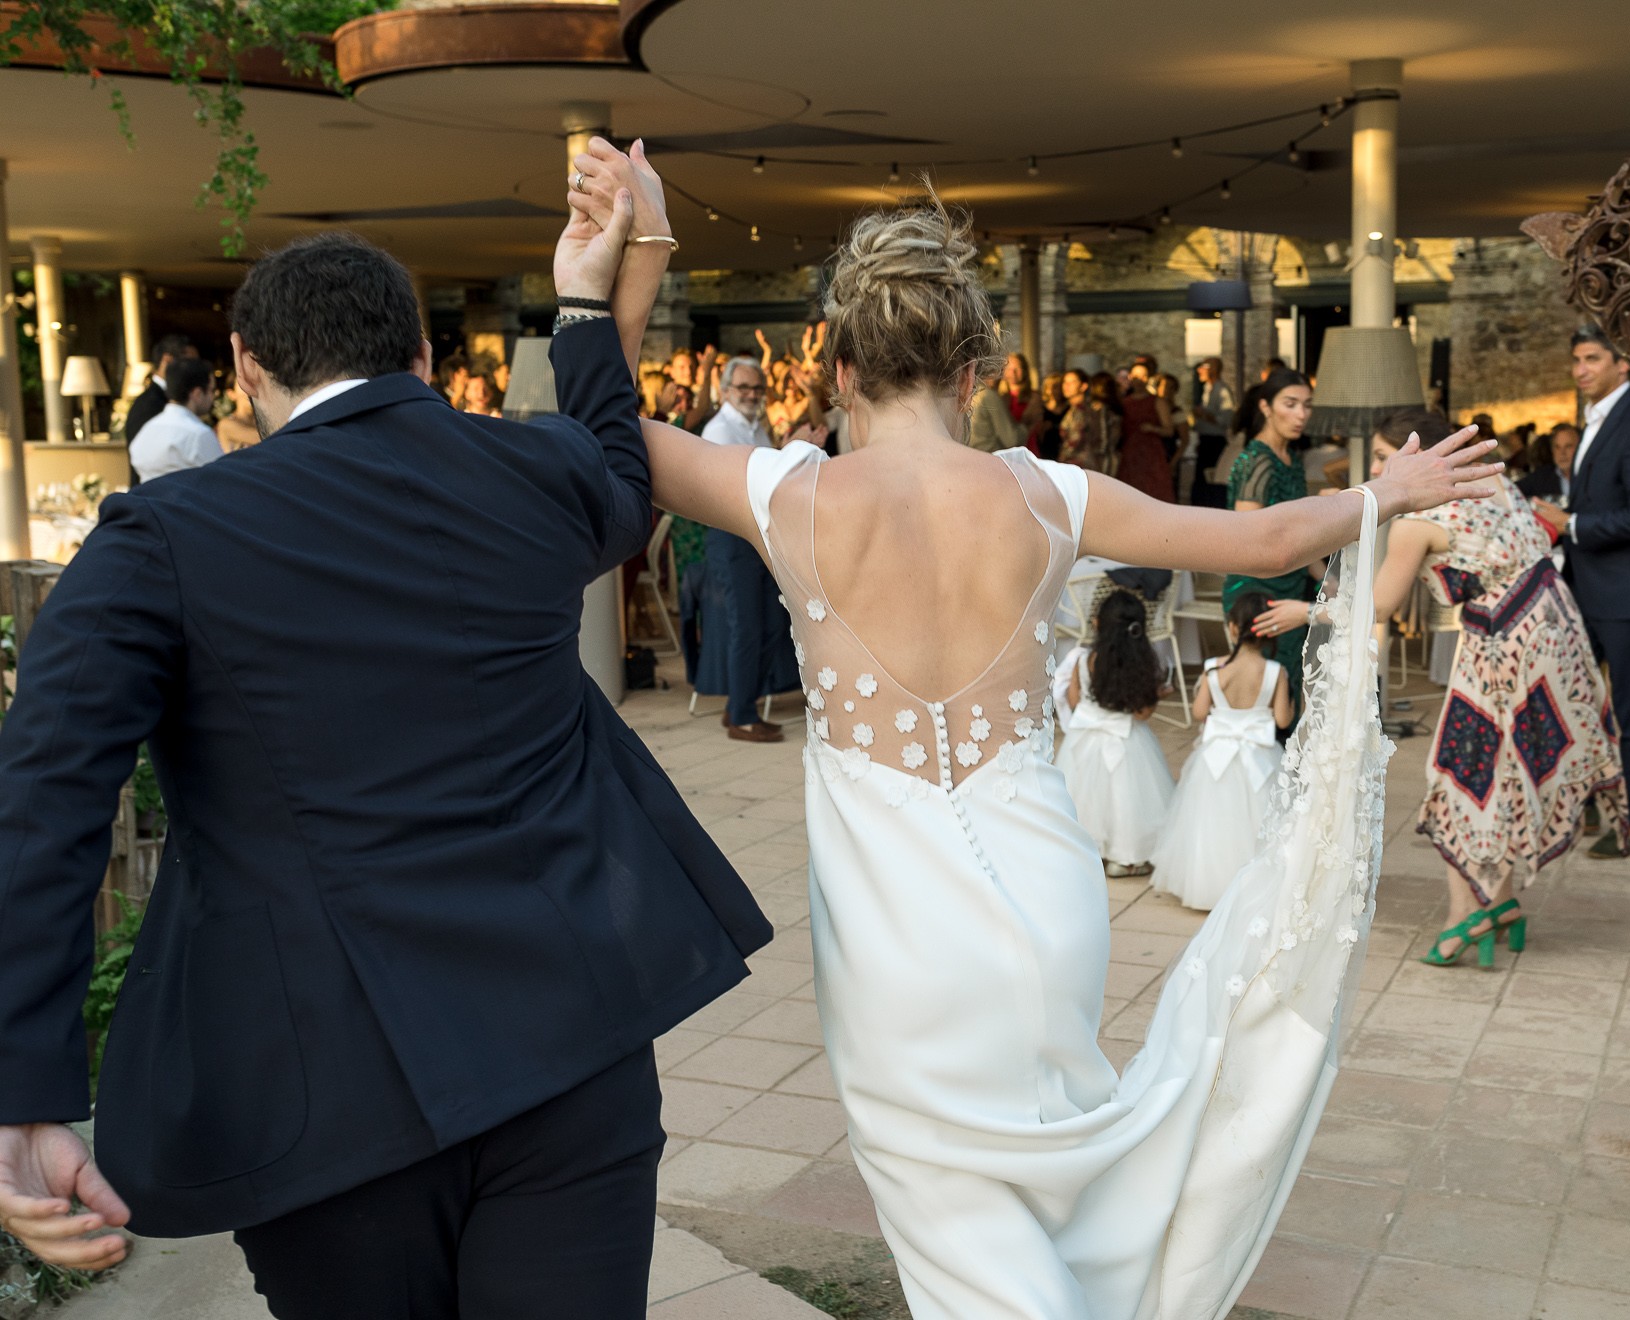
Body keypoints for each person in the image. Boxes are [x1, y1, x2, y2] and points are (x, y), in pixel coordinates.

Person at [565, 138, 1499, 1316]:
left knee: (958, 1246)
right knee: (1050, 1195)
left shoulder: (789, 495)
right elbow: (1259, 543)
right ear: (971, 372)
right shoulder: (1045, 494)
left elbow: (609, 439)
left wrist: (631, 260)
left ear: (840, 367)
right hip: (1047, 904)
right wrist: (1381, 496)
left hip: (897, 942)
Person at [0, 205, 772, 1313]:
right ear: (418, 353)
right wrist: (588, 308)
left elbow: (45, 801)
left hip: (328, 1085)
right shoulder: (536, 471)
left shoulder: (160, 539)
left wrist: (22, 1084)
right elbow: (617, 461)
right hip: (573, 1038)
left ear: (245, 368)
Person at [1368, 408, 1627, 965]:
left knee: (1462, 775)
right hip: (1556, 638)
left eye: (1382, 458)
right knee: (1503, 776)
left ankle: (1465, 918)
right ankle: (1501, 904)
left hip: (1503, 651)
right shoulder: (1493, 480)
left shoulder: (1417, 522)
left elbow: (1380, 604)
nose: (1373, 469)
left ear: (1416, 456)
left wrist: (1310, 608)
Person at [1530, 327, 1630, 858]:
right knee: (1578, 703)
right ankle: (1590, 801)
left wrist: (1571, 524)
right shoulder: (1597, 419)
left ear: (1623, 365)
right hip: (1587, 590)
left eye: (1592, 358)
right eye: (1575, 359)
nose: (1580, 369)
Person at [1148, 591, 1289, 910]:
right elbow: (1282, 719)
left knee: (1211, 822)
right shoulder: (1274, 672)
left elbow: (1199, 713)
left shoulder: (1214, 669)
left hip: (1215, 759)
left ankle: (1209, 886)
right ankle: (1255, 888)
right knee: (1256, 822)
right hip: (1260, 757)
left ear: (1233, 628)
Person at [1225, 369, 1333, 722]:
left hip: (1289, 583)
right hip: (1258, 592)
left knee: (1290, 691)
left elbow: (1299, 539)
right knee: (1268, 702)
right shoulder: (1257, 460)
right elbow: (1246, 538)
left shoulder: (1291, 458)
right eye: (1291, 404)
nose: (1302, 414)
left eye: (1307, 405)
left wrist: (1325, 579)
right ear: (1266, 407)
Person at [699, 355, 797, 742]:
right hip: (731, 536)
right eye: (744, 387)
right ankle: (741, 716)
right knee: (747, 628)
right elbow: (732, 489)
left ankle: (740, 704)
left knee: (771, 626)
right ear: (724, 391)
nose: (752, 394)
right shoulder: (719, 430)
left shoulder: (756, 428)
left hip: (758, 536)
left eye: (757, 388)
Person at [1059, 591, 1176, 877]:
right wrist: (1155, 693)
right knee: (1126, 799)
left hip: (1084, 741)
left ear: (1097, 623)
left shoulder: (1084, 660)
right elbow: (1142, 713)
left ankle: (1085, 851)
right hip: (1127, 741)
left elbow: (1074, 701)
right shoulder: (1142, 666)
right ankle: (1125, 859)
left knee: (1084, 798)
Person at [127, 357, 223, 483]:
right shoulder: (198, 434)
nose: (214, 396)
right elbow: (221, 480)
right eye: (211, 390)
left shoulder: (146, 430)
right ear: (197, 393)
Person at [122, 333, 197, 482]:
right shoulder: (149, 404)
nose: (196, 371)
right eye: (190, 363)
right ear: (167, 361)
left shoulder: (164, 399)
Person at [1116, 368, 1174, 501]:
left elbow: (1169, 430)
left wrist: (1153, 429)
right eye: (1136, 376)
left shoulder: (1157, 402)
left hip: (1151, 455)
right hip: (1130, 454)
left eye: (1143, 376)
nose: (1139, 380)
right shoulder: (1124, 402)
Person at [1189, 356, 1237, 507]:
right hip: (1205, 440)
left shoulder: (1222, 390)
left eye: (1203, 366)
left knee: (1210, 481)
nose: (1199, 370)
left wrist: (1204, 415)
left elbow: (1226, 420)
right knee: (1202, 481)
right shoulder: (1207, 389)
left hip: (1214, 443)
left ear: (1212, 370)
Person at [1516, 422, 1579, 504]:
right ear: (1552, 450)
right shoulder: (1540, 477)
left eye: (1568, 446)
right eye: (1557, 447)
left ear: (1579, 448)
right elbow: (1511, 491)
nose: (1562, 453)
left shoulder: (1592, 476)